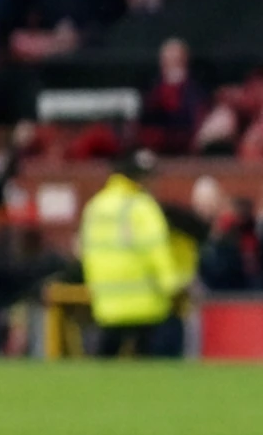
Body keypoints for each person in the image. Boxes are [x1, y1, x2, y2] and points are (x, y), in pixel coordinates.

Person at [79, 152, 191, 357]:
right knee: (152, 374)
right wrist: (172, 286)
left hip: (106, 306)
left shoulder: (96, 206)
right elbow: (157, 251)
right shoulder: (143, 207)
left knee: (104, 376)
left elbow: (87, 252)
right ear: (140, 178)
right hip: (146, 306)